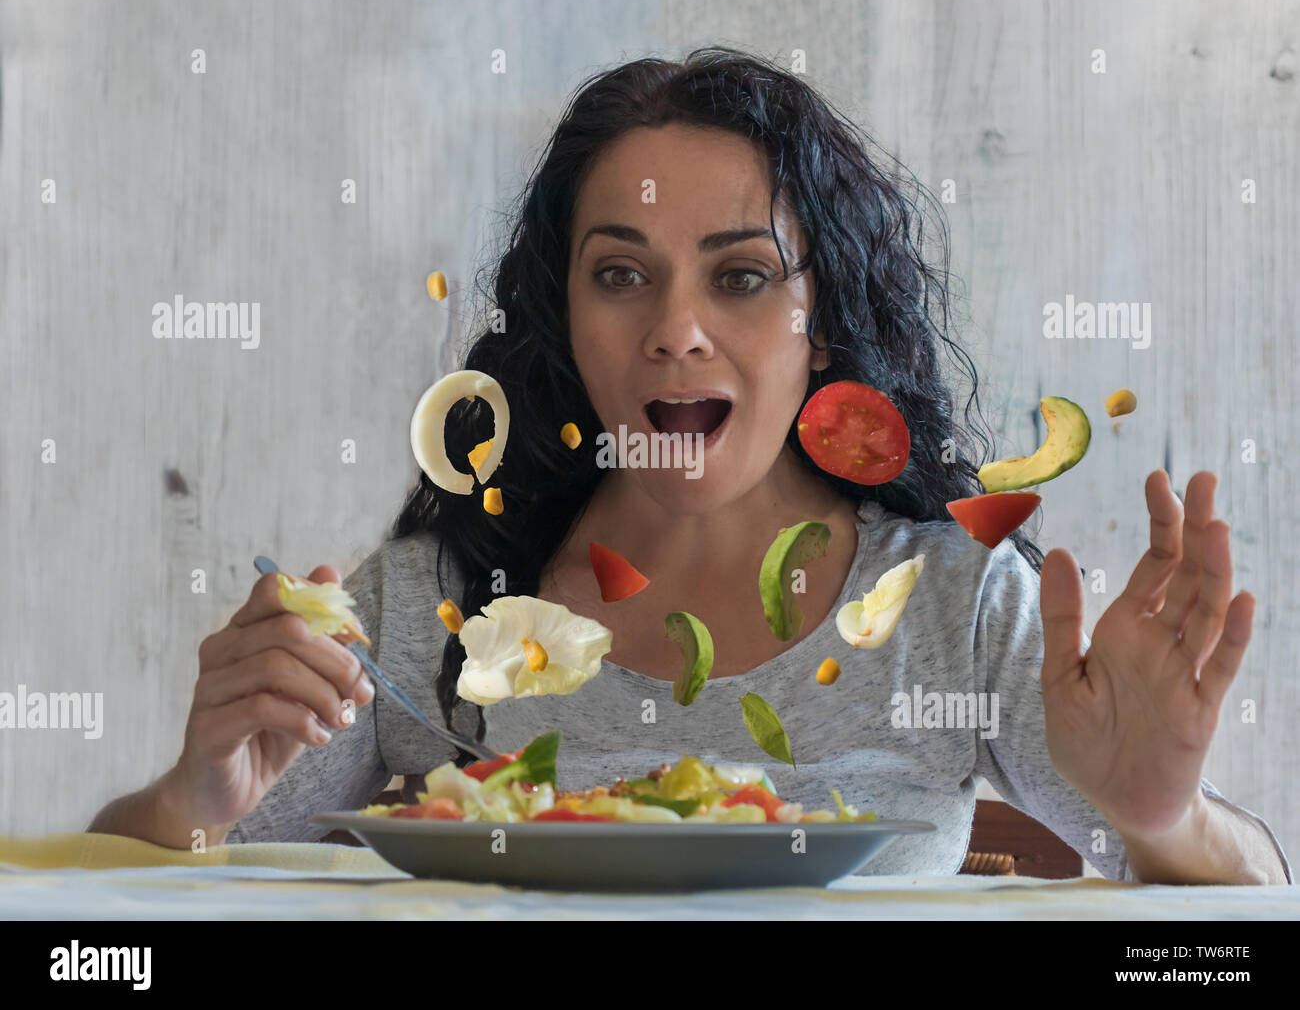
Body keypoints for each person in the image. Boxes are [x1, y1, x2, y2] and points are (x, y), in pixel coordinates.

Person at [91, 47, 1290, 883]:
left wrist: (1169, 820)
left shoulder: (954, 608)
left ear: (822, 324)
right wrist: (189, 804)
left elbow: (1232, 925)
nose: (675, 328)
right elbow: (121, 933)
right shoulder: (433, 603)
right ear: (562, 313)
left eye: (741, 275)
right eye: (620, 274)